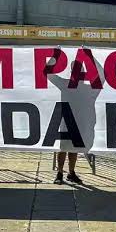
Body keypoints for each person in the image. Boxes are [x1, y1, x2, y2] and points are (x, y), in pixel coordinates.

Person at [45, 48, 103, 185]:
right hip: (68, 121)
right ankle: (60, 173)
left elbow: (102, 75)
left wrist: (90, 56)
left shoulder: (88, 88)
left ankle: (71, 173)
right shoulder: (68, 85)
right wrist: (56, 55)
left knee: (73, 149)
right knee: (64, 148)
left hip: (81, 123)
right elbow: (47, 73)